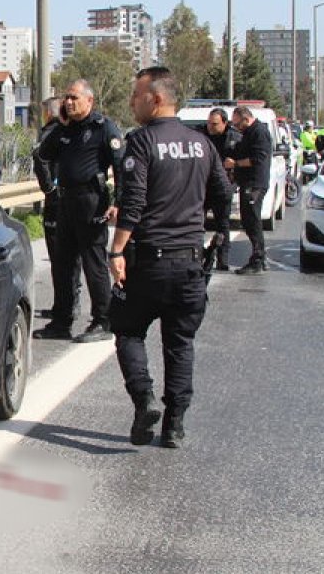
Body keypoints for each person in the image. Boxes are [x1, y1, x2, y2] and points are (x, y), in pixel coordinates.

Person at [109, 66, 232, 449]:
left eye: (137, 95)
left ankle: (144, 400)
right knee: (180, 343)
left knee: (128, 330)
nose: (132, 101)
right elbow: (224, 194)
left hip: (149, 261)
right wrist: (205, 224)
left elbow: (133, 202)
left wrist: (116, 250)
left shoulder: (142, 142)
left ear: (157, 98)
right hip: (190, 262)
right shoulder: (201, 143)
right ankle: (175, 425)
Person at [33, 79, 124, 342]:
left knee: (93, 263)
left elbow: (120, 168)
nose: (69, 102)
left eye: (74, 98)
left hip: (91, 201)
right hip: (65, 202)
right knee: (62, 264)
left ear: (89, 100)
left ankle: (103, 320)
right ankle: (61, 321)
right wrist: (60, 124)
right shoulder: (66, 129)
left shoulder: (103, 128)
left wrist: (118, 202)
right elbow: (45, 154)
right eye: (67, 98)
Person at [31, 97, 81, 322]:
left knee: (60, 257)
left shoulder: (51, 133)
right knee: (73, 257)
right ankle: (71, 303)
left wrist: (50, 190)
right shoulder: (73, 131)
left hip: (57, 203)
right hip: (74, 200)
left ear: (48, 113)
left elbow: (40, 160)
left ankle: (65, 306)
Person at [225, 106, 273, 275]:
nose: (237, 128)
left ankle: (258, 259)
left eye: (238, 124)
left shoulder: (259, 132)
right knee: (247, 220)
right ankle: (259, 257)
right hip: (247, 182)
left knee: (252, 221)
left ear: (246, 119)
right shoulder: (248, 133)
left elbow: (257, 158)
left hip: (255, 183)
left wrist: (235, 164)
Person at [202, 108, 239, 271]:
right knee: (197, 223)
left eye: (215, 124)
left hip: (222, 188)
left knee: (222, 225)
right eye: (209, 123)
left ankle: (223, 260)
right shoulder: (201, 136)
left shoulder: (235, 139)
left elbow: (241, 163)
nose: (211, 126)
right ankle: (198, 257)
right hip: (202, 187)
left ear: (225, 123)